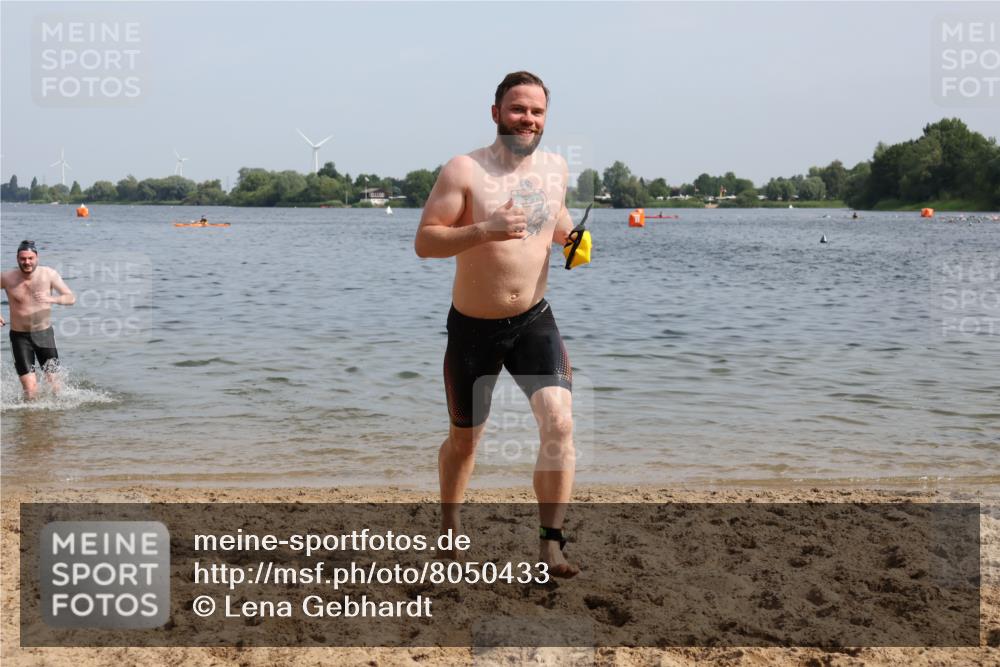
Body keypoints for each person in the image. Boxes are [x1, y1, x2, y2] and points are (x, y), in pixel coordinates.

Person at [414, 71, 580, 577]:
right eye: (517, 109)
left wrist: (572, 240)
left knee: (560, 423)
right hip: (473, 329)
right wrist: (486, 229)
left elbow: (555, 219)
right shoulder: (465, 170)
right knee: (464, 442)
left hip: (534, 320)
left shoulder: (556, 168)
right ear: (496, 113)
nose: (528, 119)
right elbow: (426, 241)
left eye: (537, 111)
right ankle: (449, 527)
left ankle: (550, 544)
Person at [0, 240, 75, 399]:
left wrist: (52, 299)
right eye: (23, 258)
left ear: (37, 257)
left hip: (44, 335)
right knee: (30, 390)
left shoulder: (49, 274)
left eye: (30, 258)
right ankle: (30, 415)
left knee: (55, 386)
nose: (27, 262)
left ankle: (56, 414)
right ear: (17, 259)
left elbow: (71, 298)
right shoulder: (7, 277)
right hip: (19, 338)